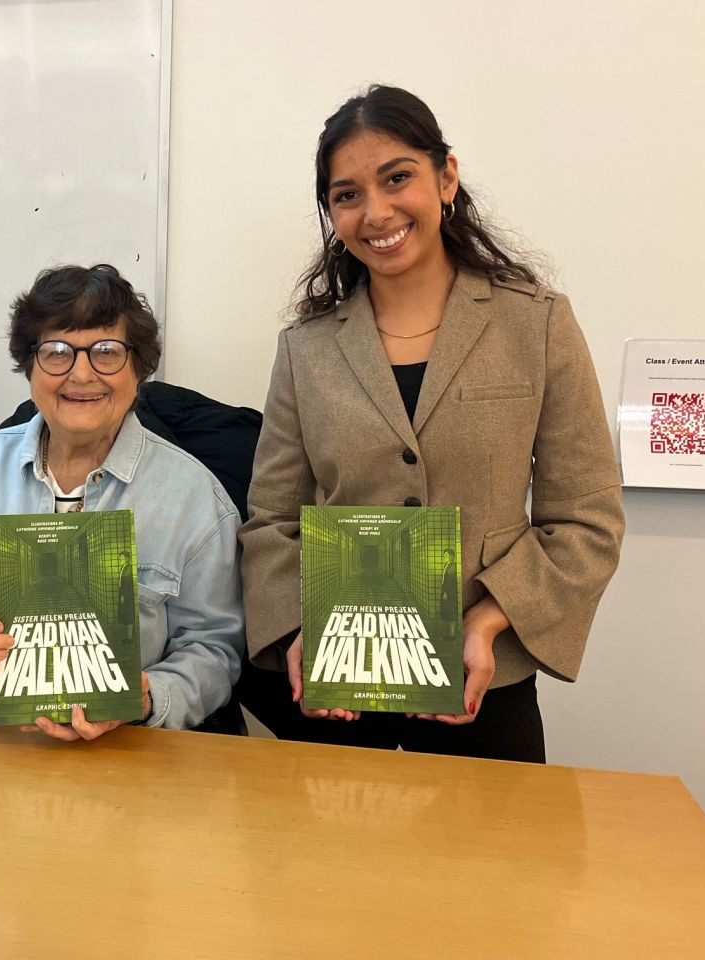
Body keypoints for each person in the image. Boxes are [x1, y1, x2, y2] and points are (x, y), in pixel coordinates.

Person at [239, 85, 625, 762]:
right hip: (339, 693)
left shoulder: (535, 323)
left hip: (483, 685)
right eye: (347, 194)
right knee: (336, 869)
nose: (376, 211)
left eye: (397, 179)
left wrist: (489, 618)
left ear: (446, 177)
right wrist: (304, 622)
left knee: (490, 868)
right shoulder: (305, 349)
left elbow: (587, 520)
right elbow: (270, 521)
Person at [0, 264, 244, 739]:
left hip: (124, 754)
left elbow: (215, 649)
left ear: (137, 368)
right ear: (30, 366)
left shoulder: (195, 497)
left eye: (106, 352)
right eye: (56, 352)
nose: (81, 374)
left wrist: (147, 695)